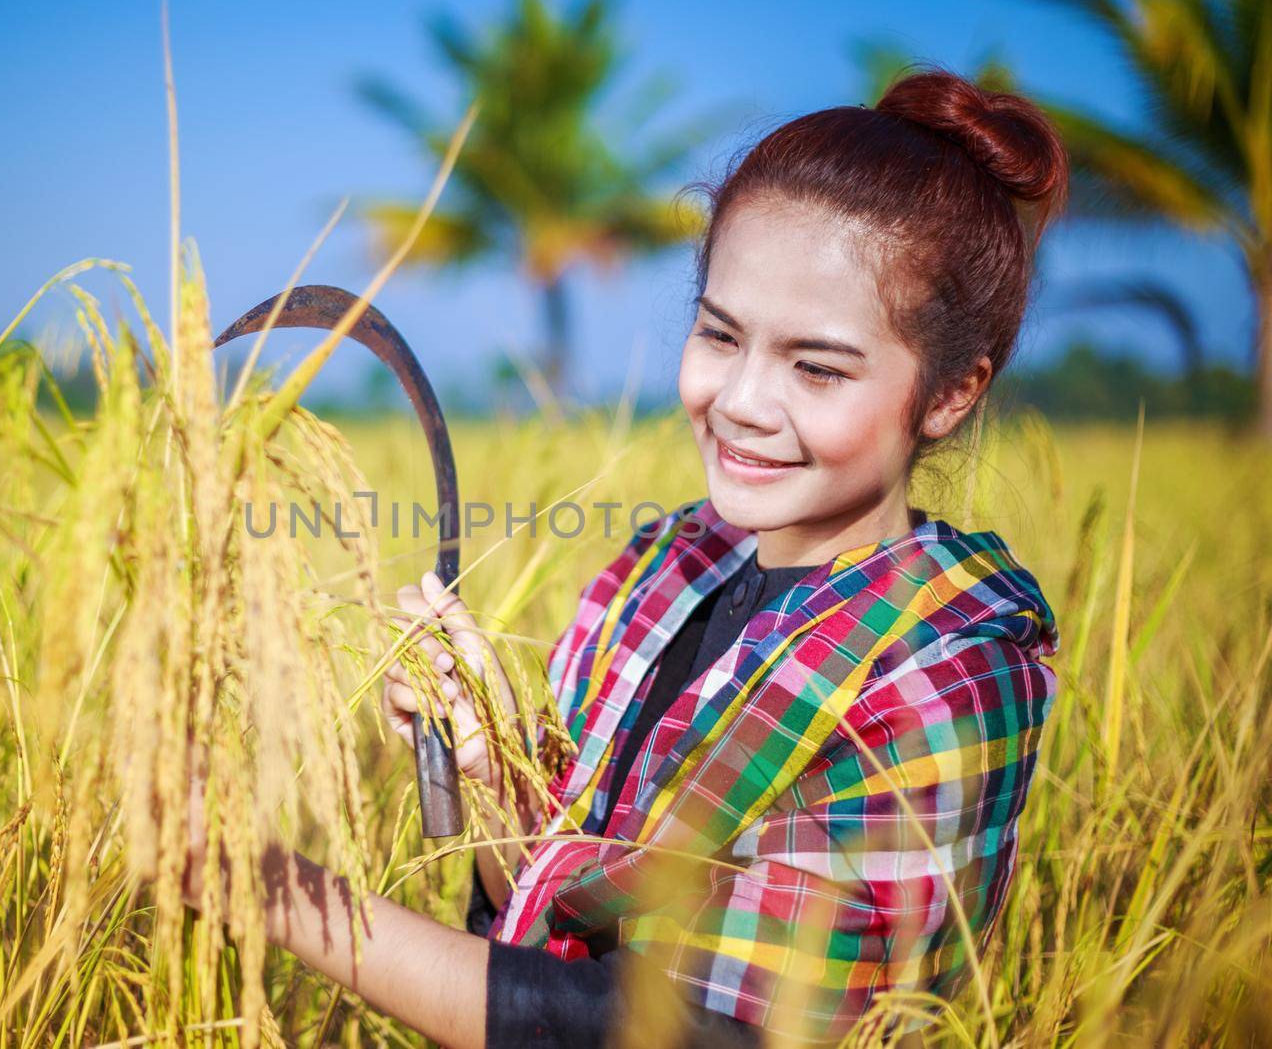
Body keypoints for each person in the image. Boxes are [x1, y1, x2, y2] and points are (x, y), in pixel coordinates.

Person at [185, 65, 1066, 1048]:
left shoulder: (944, 669)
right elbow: (553, 900)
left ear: (949, 393)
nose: (740, 399)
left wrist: (262, 884)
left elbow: (675, 1029)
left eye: (815, 366)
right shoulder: (665, 567)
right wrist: (487, 757)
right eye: (718, 334)